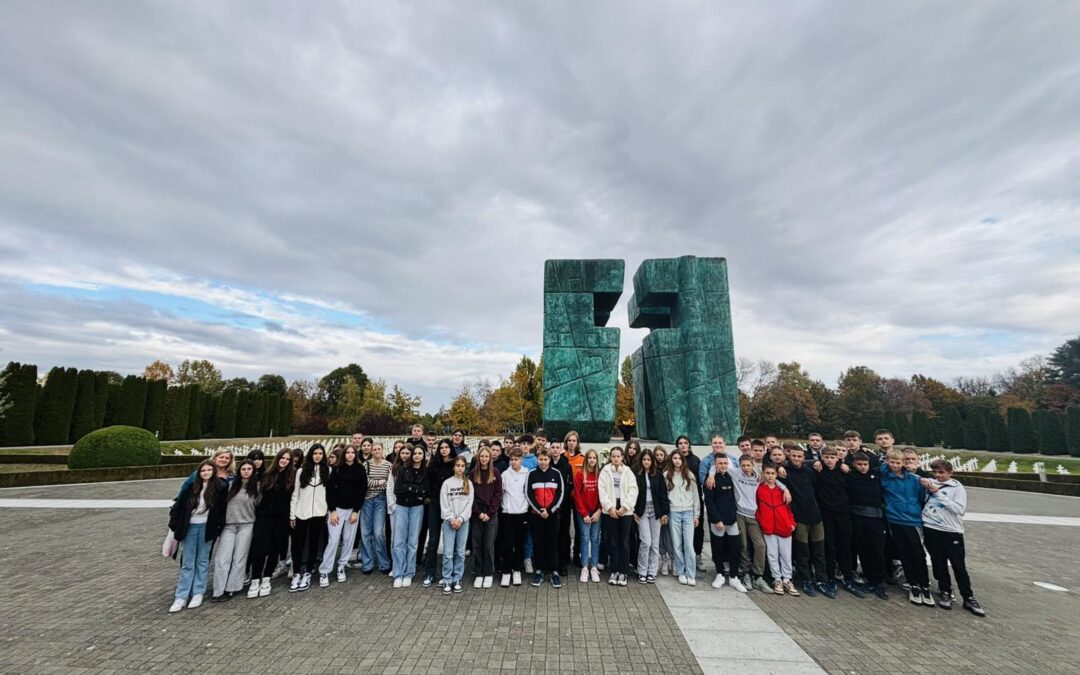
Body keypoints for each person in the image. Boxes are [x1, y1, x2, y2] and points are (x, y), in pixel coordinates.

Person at [921, 460, 985, 616]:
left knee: (958, 566)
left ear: (950, 473)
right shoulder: (928, 483)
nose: (937, 475)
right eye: (935, 472)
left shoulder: (957, 488)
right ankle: (945, 591)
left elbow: (959, 509)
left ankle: (968, 597)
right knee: (938, 562)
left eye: (941, 472)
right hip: (931, 528)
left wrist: (938, 493)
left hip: (951, 530)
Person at [168, 460, 228, 612]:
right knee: (188, 562)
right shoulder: (191, 488)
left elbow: (221, 510)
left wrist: (218, 527)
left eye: (209, 470)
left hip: (207, 528)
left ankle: (198, 592)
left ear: (213, 472)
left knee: (202, 560)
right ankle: (181, 595)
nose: (206, 473)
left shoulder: (220, 488)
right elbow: (178, 506)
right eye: (203, 471)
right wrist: (175, 525)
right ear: (199, 473)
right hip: (190, 527)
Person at [880, 449, 932, 606]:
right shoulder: (886, 477)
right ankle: (913, 585)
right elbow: (880, 468)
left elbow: (923, 498)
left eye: (898, 462)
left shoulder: (915, 479)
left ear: (904, 463)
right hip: (894, 520)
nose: (895, 465)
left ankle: (924, 584)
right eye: (892, 462)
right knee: (904, 554)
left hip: (913, 520)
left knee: (918, 553)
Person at [783, 443, 831, 598]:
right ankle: (806, 580)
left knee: (819, 550)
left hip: (815, 515)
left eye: (799, 456)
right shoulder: (785, 473)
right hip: (799, 517)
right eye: (794, 456)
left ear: (804, 458)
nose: (796, 459)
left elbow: (815, 490)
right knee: (803, 551)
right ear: (789, 456)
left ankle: (821, 580)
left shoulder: (810, 472)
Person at [816, 447, 863, 597]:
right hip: (826, 513)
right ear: (822, 458)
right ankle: (830, 578)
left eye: (832, 457)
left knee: (845, 546)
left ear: (837, 458)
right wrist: (815, 462)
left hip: (843, 513)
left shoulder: (845, 472)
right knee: (829, 546)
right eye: (826, 457)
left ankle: (848, 578)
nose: (829, 460)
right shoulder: (818, 470)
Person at [211, 460, 260, 602]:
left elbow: (259, 505)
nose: (246, 471)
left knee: (239, 558)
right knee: (222, 558)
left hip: (247, 524)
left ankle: (232, 588)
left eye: (249, 469)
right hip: (229, 525)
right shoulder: (230, 485)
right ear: (239, 471)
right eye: (243, 469)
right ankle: (218, 590)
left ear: (253, 471)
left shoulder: (257, 487)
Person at [318, 444, 366, 587]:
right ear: (344, 454)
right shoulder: (337, 469)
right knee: (333, 540)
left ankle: (341, 566)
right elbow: (330, 491)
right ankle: (325, 570)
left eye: (352, 452)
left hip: (353, 510)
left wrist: (356, 511)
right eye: (348, 452)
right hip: (337, 510)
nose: (350, 455)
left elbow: (361, 491)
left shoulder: (360, 469)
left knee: (348, 540)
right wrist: (332, 511)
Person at [247, 449, 293, 598]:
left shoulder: (291, 476)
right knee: (259, 549)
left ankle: (266, 578)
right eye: (282, 458)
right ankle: (255, 579)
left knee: (274, 549)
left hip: (281, 518)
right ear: (277, 458)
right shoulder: (267, 474)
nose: (284, 460)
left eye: (287, 459)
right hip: (264, 516)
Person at [846, 451, 889, 599]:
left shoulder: (876, 475)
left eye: (865, 464)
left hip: (875, 517)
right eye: (859, 464)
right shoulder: (850, 476)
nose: (863, 467)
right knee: (862, 550)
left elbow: (890, 465)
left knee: (877, 550)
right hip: (857, 517)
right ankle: (869, 579)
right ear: (854, 465)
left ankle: (879, 581)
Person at [288, 444, 329, 593]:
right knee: (298, 544)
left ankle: (308, 572)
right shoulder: (301, 471)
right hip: (301, 512)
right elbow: (295, 494)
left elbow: (328, 494)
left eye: (320, 453)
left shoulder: (327, 471)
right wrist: (292, 514)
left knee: (313, 543)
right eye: (315, 453)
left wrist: (327, 511)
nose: (317, 456)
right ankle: (297, 572)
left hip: (319, 513)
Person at [703, 453, 746, 591]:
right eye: (720, 463)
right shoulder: (710, 479)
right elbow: (709, 501)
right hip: (718, 521)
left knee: (735, 547)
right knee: (718, 548)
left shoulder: (731, 476)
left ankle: (734, 576)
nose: (723, 466)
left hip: (732, 519)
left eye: (725, 463)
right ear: (715, 464)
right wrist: (717, 519)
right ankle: (720, 574)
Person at [599, 446, 638, 587]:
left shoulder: (628, 472)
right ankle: (614, 570)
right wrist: (610, 507)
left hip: (625, 511)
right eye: (613, 456)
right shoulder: (605, 471)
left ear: (622, 457)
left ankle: (624, 572)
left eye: (618, 456)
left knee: (624, 542)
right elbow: (602, 490)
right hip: (610, 510)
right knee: (613, 541)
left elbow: (633, 490)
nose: (615, 458)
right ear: (610, 457)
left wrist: (625, 506)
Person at [731, 453, 771, 593]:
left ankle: (758, 575)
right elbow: (717, 466)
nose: (746, 468)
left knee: (760, 545)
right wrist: (711, 474)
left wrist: (784, 489)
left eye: (748, 465)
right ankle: (746, 573)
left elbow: (774, 480)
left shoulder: (759, 475)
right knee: (743, 544)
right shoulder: (735, 473)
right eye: (743, 465)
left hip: (754, 515)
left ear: (753, 464)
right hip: (740, 514)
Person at [526, 448, 565, 588]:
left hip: (552, 515)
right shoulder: (532, 474)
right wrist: (538, 510)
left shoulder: (556, 473)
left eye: (546, 459)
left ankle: (554, 570)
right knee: (538, 543)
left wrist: (549, 510)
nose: (543, 462)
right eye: (541, 459)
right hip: (536, 515)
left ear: (550, 460)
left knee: (552, 543)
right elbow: (528, 493)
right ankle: (539, 570)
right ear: (537, 459)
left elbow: (560, 494)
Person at [757, 464, 797, 596]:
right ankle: (777, 579)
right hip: (768, 527)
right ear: (763, 474)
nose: (770, 476)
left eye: (773, 473)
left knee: (786, 554)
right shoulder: (759, 489)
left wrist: (791, 523)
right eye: (767, 473)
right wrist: (762, 521)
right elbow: (756, 507)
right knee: (772, 554)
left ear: (776, 474)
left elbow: (789, 508)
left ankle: (787, 579)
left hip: (784, 525)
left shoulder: (782, 490)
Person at [391, 444, 428, 588]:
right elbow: (398, 490)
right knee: (399, 541)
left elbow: (424, 491)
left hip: (416, 508)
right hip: (401, 506)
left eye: (420, 453)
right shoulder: (402, 470)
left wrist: (409, 487)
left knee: (412, 542)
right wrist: (414, 489)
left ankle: (409, 573)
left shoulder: (425, 472)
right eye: (415, 453)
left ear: (423, 456)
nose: (417, 455)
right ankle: (398, 573)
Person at [422, 439, 457, 587]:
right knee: (433, 539)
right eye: (441, 447)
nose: (443, 450)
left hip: (451, 504)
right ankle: (430, 572)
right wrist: (428, 496)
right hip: (435, 503)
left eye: (446, 447)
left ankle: (450, 572)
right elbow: (427, 482)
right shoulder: (433, 464)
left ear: (450, 449)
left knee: (451, 540)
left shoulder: (455, 464)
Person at [664, 449, 700, 585]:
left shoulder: (689, 475)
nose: (677, 460)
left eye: (679, 458)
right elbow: (664, 497)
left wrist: (696, 514)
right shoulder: (666, 475)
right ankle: (680, 571)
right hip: (674, 512)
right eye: (674, 458)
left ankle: (691, 573)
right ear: (671, 460)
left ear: (682, 460)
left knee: (689, 545)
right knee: (677, 544)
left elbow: (696, 497)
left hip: (688, 512)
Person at [633, 448, 669, 584]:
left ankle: (652, 572)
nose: (646, 462)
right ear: (641, 460)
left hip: (655, 512)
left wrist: (664, 512)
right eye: (644, 459)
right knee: (645, 542)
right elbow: (632, 494)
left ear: (652, 461)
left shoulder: (657, 475)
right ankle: (642, 570)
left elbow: (663, 494)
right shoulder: (636, 474)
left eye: (649, 459)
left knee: (654, 543)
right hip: (641, 511)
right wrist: (634, 511)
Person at [440, 456, 474, 594]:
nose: (460, 468)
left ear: (465, 468)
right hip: (449, 522)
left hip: (463, 522)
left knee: (460, 553)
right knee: (448, 553)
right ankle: (447, 578)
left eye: (462, 466)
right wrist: (451, 519)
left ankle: (457, 578)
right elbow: (444, 503)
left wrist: (460, 519)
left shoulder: (468, 483)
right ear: (453, 467)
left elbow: (469, 504)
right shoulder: (447, 483)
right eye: (457, 465)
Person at [469, 446, 502, 589]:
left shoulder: (495, 472)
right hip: (477, 514)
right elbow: (470, 495)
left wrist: (489, 513)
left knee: (488, 544)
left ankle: (488, 573)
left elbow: (498, 494)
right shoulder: (472, 474)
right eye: (481, 456)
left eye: (486, 457)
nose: (484, 459)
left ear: (490, 458)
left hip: (491, 514)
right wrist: (479, 512)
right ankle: (479, 572)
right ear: (478, 457)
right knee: (477, 544)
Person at [499, 448, 531, 587]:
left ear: (521, 460)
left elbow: (528, 493)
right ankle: (506, 572)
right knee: (507, 544)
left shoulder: (527, 473)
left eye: (516, 459)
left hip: (522, 513)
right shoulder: (505, 474)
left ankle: (516, 570)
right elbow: (501, 493)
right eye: (511, 459)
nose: (513, 462)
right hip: (508, 513)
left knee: (519, 543)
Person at [360, 442, 391, 575]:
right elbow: (365, 482)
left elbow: (389, 483)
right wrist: (380, 482)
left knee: (378, 532)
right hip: (366, 500)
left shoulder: (388, 465)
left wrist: (375, 483)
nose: (377, 451)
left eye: (379, 449)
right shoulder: (366, 465)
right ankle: (367, 563)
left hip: (380, 500)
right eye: (374, 449)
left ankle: (384, 563)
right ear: (371, 451)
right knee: (365, 532)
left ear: (382, 450)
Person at [573, 449, 603, 583]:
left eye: (594, 458)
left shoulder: (600, 474)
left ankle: (594, 567)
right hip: (583, 513)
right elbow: (577, 496)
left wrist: (599, 510)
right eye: (589, 457)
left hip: (596, 512)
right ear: (586, 460)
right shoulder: (580, 474)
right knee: (585, 538)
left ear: (597, 460)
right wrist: (584, 513)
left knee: (595, 538)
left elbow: (604, 494)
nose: (591, 460)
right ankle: (585, 567)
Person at [549, 440, 575, 577]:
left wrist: (560, 502)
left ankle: (563, 563)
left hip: (563, 506)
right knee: (551, 534)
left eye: (557, 447)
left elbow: (569, 485)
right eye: (552, 447)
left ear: (561, 449)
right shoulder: (546, 463)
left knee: (564, 534)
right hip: (549, 506)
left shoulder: (566, 465)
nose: (554, 450)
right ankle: (551, 562)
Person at [653, 445, 674, 576]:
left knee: (668, 533)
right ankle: (663, 558)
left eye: (661, 455)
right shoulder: (653, 470)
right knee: (659, 535)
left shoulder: (669, 470)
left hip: (667, 505)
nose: (659, 457)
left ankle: (672, 557)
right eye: (657, 455)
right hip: (656, 506)